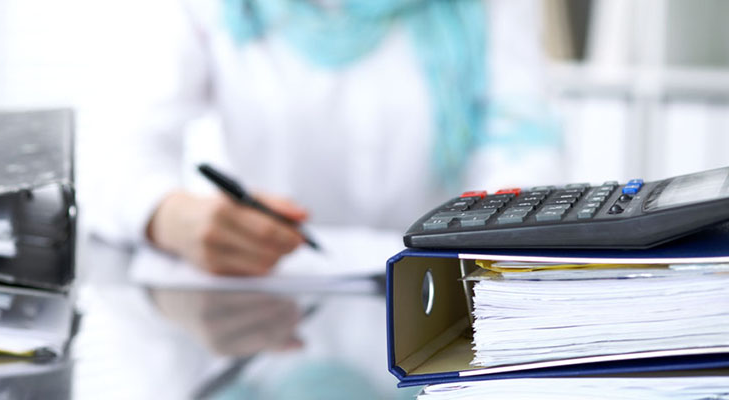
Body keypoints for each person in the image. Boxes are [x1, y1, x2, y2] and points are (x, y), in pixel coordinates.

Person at [84, 0, 561, 276]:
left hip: (444, 295)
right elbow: (117, 151)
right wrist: (166, 215)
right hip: (268, 308)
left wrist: (491, 245)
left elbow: (524, 148)